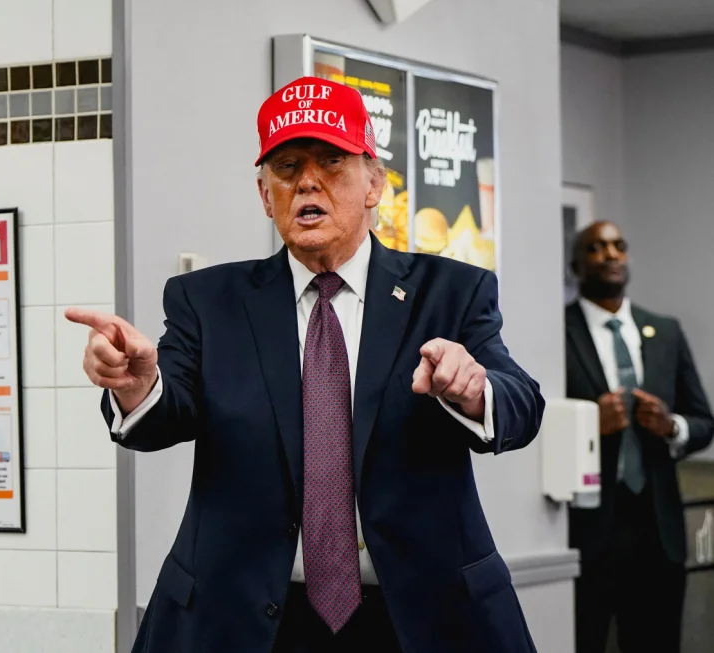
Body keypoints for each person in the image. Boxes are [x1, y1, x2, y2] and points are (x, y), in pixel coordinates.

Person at [65, 76, 545, 653]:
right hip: (243, 621)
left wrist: (474, 390)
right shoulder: (208, 301)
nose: (308, 181)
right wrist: (141, 387)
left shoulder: (450, 292)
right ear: (266, 196)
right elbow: (171, 410)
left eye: (332, 162)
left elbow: (521, 404)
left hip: (418, 619)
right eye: (288, 167)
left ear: (374, 184)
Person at [565, 221, 713, 653]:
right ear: (576, 265)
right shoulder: (557, 331)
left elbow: (703, 421)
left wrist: (672, 426)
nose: (610, 255)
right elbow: (535, 424)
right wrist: (589, 425)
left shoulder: (665, 331)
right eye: (596, 248)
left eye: (618, 246)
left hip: (658, 532)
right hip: (587, 531)